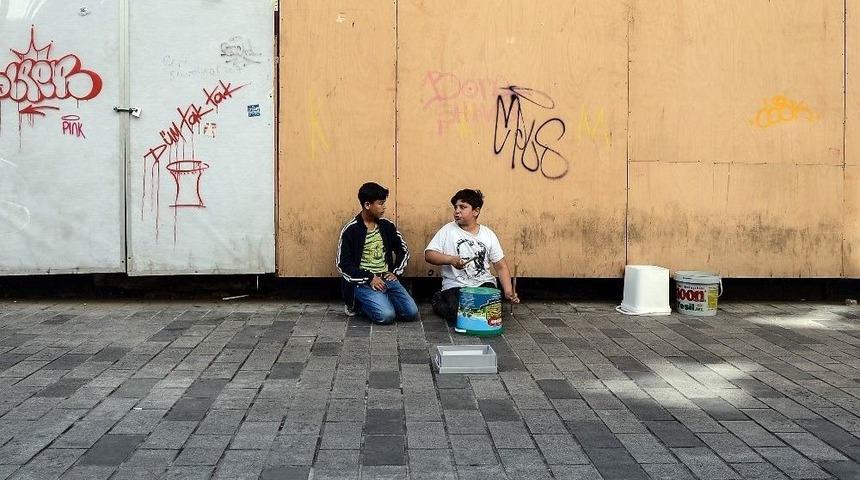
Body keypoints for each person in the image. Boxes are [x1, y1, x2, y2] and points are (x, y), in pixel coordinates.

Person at [424, 189, 519, 326]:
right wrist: (450, 260)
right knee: (460, 314)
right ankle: (439, 298)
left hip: (483, 283)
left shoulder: (488, 234)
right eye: (455, 207)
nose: (457, 211)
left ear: (476, 211)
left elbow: (500, 266)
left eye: (462, 207)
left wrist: (509, 292)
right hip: (456, 285)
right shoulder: (447, 230)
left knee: (491, 313)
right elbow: (429, 255)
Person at [337, 182, 418, 325]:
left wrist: (396, 272)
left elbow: (402, 249)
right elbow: (343, 264)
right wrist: (369, 278)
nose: (384, 207)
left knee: (411, 312)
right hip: (363, 282)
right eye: (380, 204)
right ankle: (359, 304)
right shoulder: (351, 230)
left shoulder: (387, 226)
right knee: (386, 316)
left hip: (387, 279)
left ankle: (382, 300)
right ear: (367, 205)